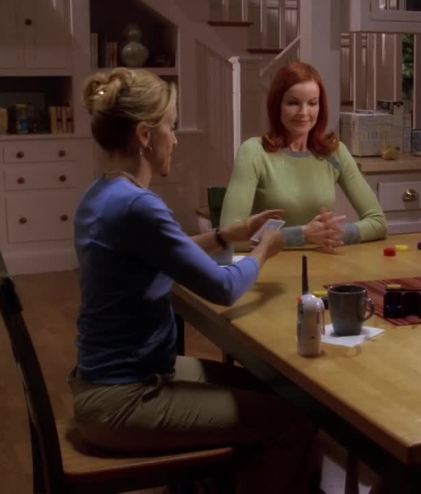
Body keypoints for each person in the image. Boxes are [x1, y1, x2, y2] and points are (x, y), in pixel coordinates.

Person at [71, 67, 319, 493]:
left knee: (279, 391)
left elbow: (165, 249)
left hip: (110, 379)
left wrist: (227, 235)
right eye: (171, 126)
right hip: (126, 398)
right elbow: (224, 288)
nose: (176, 138)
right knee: (293, 420)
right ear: (145, 136)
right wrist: (265, 247)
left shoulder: (101, 193)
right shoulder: (138, 206)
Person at [220, 61, 387, 251]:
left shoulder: (335, 152)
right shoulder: (254, 152)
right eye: (293, 103)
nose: (304, 112)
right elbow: (228, 236)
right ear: (277, 106)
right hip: (270, 263)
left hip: (324, 262)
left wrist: (330, 233)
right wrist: (302, 235)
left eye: (312, 103)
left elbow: (378, 222)